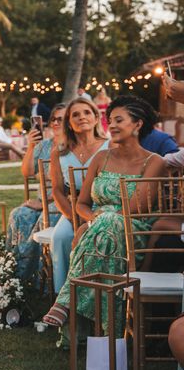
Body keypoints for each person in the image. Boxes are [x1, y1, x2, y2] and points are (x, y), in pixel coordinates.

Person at [43, 95, 167, 330]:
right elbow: (81, 204)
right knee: (103, 226)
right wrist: (92, 220)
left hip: (133, 231)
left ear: (138, 124)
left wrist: (95, 221)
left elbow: (132, 210)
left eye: (119, 120)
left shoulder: (154, 162)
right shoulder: (101, 157)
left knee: (106, 222)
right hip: (100, 228)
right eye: (110, 120)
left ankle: (66, 302)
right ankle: (106, 327)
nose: (111, 125)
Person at [49, 98, 109, 294]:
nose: (82, 117)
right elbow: (57, 190)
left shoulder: (110, 147)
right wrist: (73, 218)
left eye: (86, 112)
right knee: (61, 236)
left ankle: (95, 292)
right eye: (75, 114)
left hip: (103, 208)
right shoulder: (59, 153)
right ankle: (63, 295)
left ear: (95, 118)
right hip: (71, 210)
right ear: (69, 122)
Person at [6, 104, 66, 281]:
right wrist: (31, 146)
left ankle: (42, 278)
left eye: (60, 119)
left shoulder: (72, 147)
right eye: (53, 119)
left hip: (61, 201)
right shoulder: (44, 145)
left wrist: (43, 204)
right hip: (43, 201)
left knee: (43, 220)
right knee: (18, 214)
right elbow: (26, 172)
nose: (55, 122)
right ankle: (13, 272)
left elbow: (67, 186)